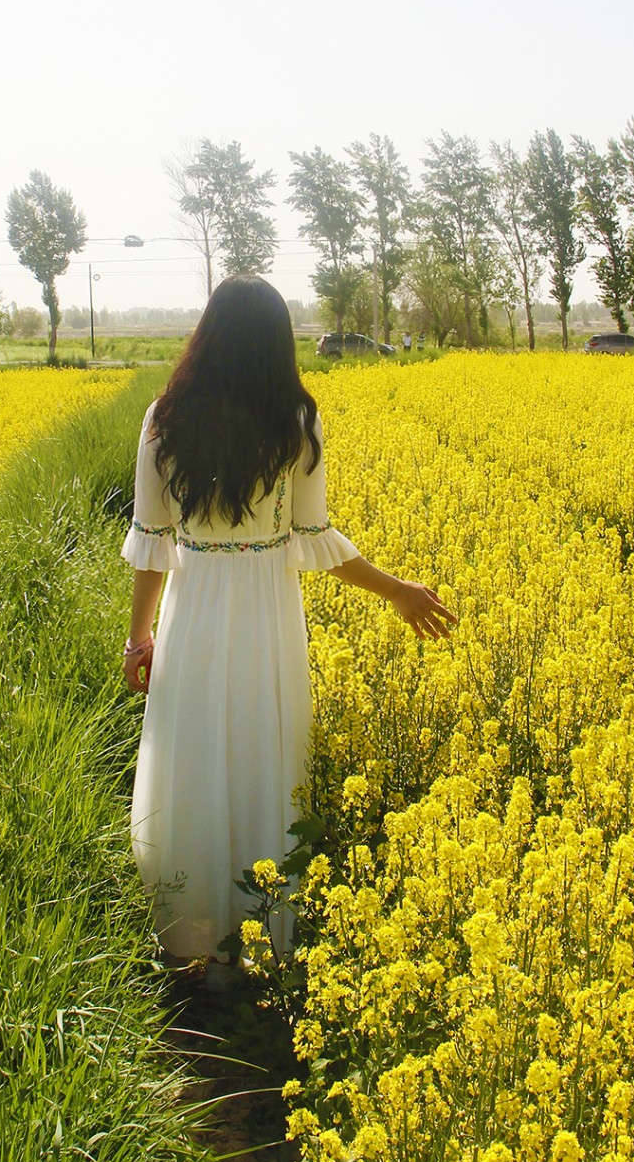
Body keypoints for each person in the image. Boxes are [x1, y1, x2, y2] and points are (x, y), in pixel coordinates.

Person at [121, 275, 453, 965]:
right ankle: (261, 940)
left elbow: (151, 546)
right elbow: (314, 540)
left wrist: (138, 638)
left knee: (192, 759)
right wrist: (395, 589)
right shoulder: (296, 421)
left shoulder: (164, 417)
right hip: (267, 615)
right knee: (261, 760)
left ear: (206, 335)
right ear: (276, 344)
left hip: (194, 609)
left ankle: (187, 941)